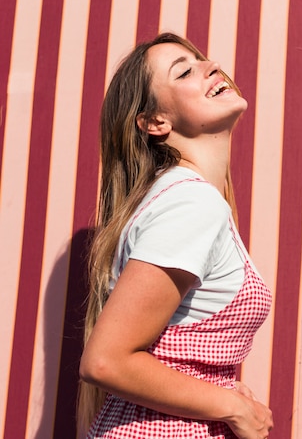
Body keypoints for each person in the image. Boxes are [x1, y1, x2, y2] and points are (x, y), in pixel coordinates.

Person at [78, 32, 274, 439]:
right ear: (155, 122)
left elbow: (170, 352)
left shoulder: (180, 198)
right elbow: (106, 361)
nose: (211, 66)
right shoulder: (191, 204)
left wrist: (217, 386)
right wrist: (233, 407)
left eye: (201, 59)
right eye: (185, 71)